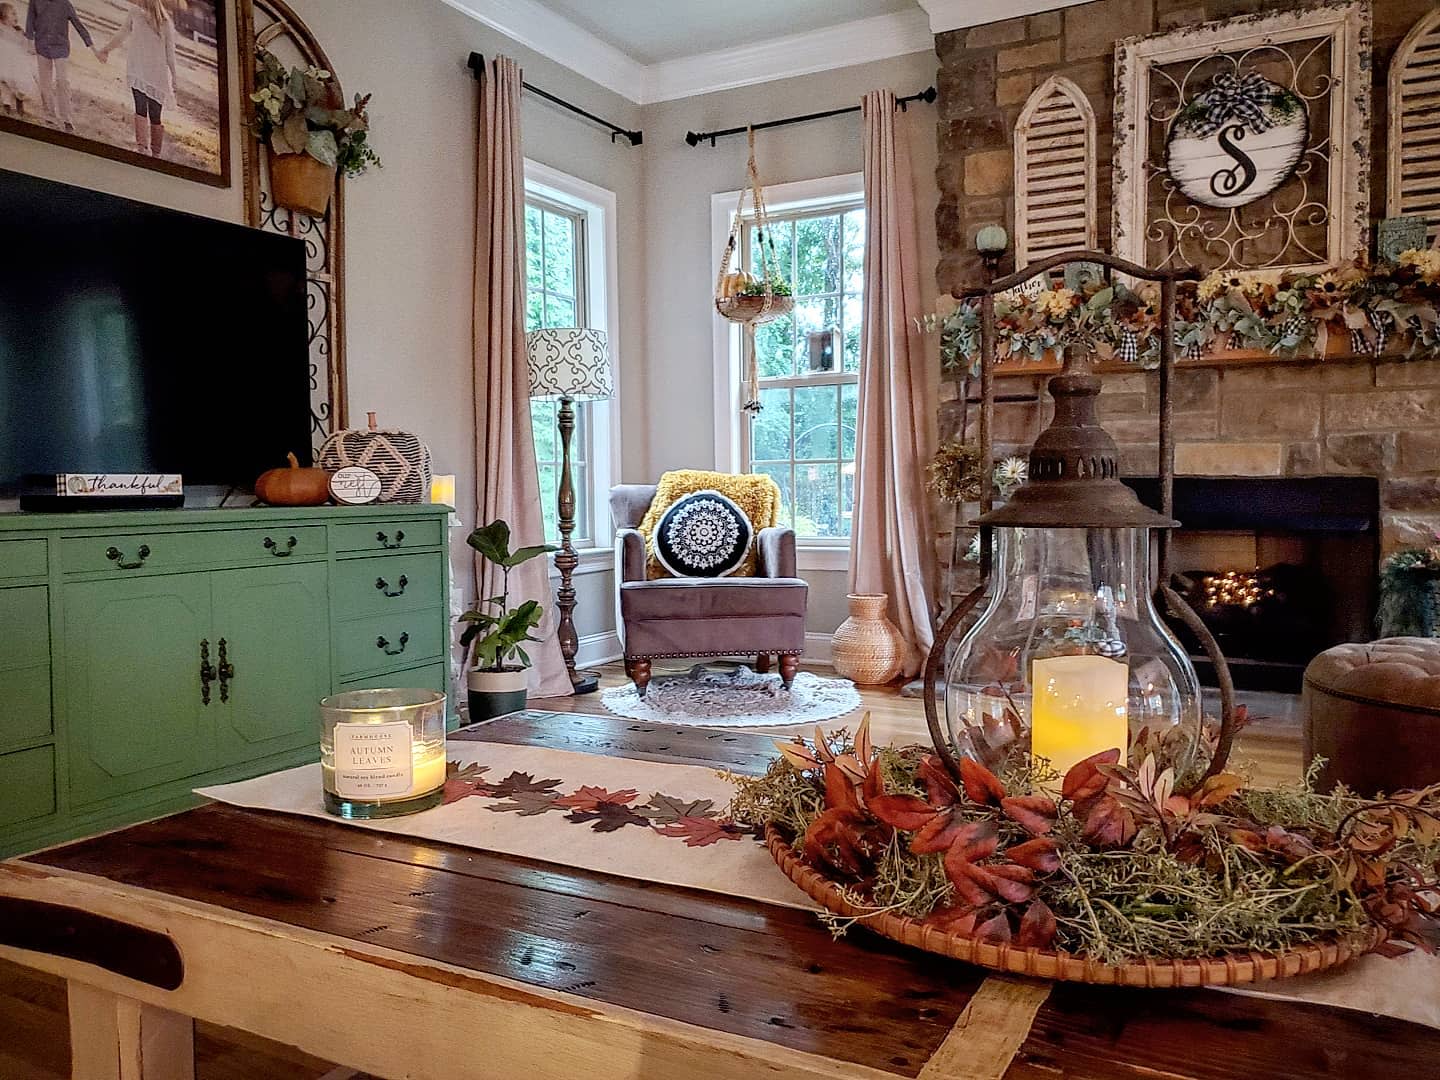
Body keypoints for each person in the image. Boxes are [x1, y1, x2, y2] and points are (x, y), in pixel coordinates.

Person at [97, 0, 175, 157]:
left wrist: (174, 79)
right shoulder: (134, 13)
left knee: (155, 115)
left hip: (156, 75)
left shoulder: (165, 23)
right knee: (141, 108)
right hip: (138, 70)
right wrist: (106, 49)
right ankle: (142, 149)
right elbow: (122, 34)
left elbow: (170, 54)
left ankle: (156, 154)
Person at [24, 0, 101, 133]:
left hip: (61, 47)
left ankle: (67, 119)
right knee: (45, 84)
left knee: (62, 81)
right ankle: (49, 117)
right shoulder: (35, 1)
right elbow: (30, 21)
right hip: (42, 46)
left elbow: (79, 25)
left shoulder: (65, 4)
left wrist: (93, 49)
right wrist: (29, 42)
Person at [0, 2, 41, 116]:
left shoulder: (18, 31)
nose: (16, 17)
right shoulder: (1, 30)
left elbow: (27, 46)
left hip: (18, 64)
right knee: (5, 84)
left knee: (22, 85)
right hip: (4, 63)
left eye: (16, 14)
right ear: (3, 17)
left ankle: (19, 99)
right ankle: (6, 104)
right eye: (12, 14)